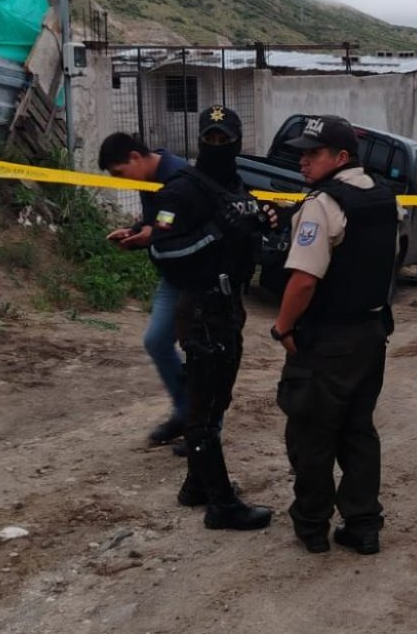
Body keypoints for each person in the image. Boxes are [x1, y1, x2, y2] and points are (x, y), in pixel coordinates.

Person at [99, 107, 272, 531]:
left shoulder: (228, 183)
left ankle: (196, 485)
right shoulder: (182, 189)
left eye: (224, 139)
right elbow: (163, 248)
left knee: (216, 400)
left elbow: (247, 237)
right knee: (204, 407)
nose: (218, 145)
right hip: (201, 307)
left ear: (236, 140)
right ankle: (221, 504)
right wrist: (218, 229)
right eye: (210, 138)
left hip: (228, 304)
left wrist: (261, 220)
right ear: (199, 140)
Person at [271, 115, 398, 555]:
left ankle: (311, 526)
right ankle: (363, 525)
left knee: (311, 434)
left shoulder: (323, 204)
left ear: (341, 158)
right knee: (358, 432)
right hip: (370, 333)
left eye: (313, 153)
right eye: (301, 152)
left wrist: (282, 326)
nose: (303, 160)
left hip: (327, 340)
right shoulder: (384, 197)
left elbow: (304, 280)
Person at [103, 140, 192, 448]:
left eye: (119, 172)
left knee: (201, 353)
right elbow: (158, 221)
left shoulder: (179, 175)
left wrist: (150, 235)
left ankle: (205, 428)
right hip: (172, 276)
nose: (120, 180)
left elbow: (185, 223)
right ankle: (186, 411)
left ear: (134, 157)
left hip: (196, 277)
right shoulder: (147, 179)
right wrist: (135, 230)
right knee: (156, 341)